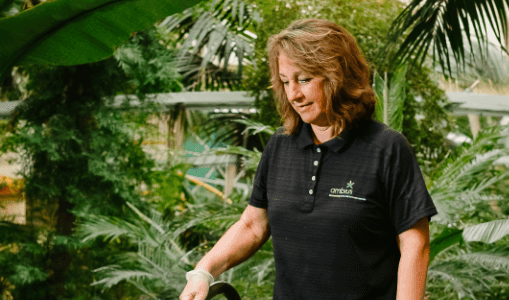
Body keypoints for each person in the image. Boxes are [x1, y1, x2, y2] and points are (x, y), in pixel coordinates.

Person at [180, 19, 437, 300]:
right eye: (285, 81)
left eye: (304, 79)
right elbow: (253, 225)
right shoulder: (280, 145)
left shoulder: (386, 148)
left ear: (338, 74)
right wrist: (203, 272)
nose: (294, 94)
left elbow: (415, 244)